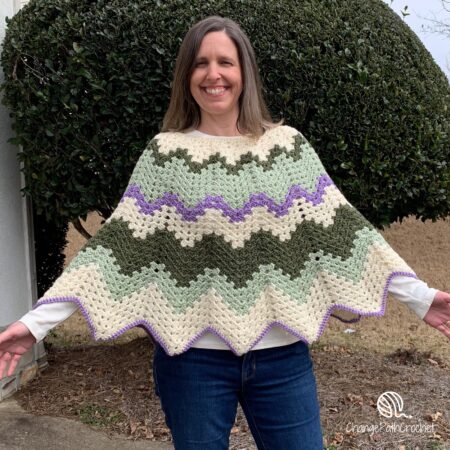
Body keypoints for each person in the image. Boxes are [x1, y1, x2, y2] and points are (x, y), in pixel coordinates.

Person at [1, 15, 449, 450]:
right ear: (187, 75)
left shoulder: (287, 149)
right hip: (191, 361)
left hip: (283, 359)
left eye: (225, 62)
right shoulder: (166, 155)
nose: (213, 74)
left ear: (244, 72)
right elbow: (113, 251)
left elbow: (348, 237)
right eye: (201, 63)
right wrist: (34, 325)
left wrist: (421, 298)